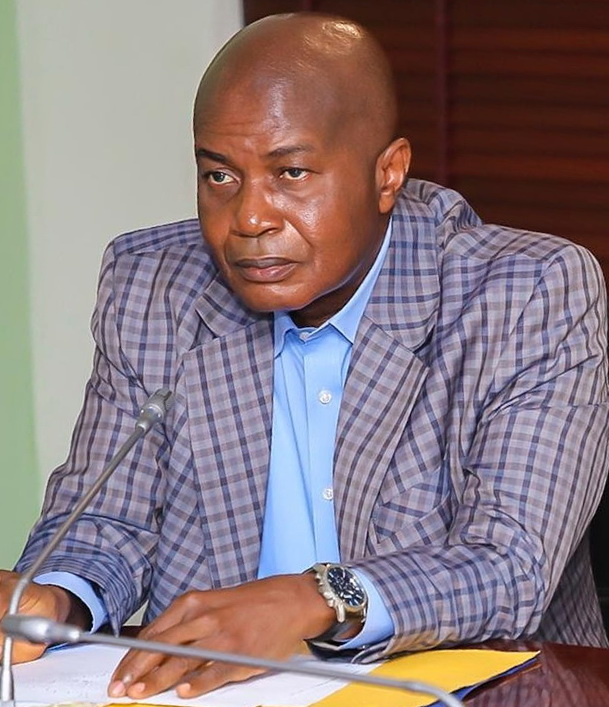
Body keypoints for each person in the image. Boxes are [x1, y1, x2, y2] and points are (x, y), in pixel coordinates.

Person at [1, 11, 608, 700]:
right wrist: (54, 596)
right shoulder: (154, 285)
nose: (249, 218)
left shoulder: (525, 293)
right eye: (219, 176)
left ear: (388, 174)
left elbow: (509, 565)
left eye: (290, 172)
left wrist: (316, 598)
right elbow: (108, 520)